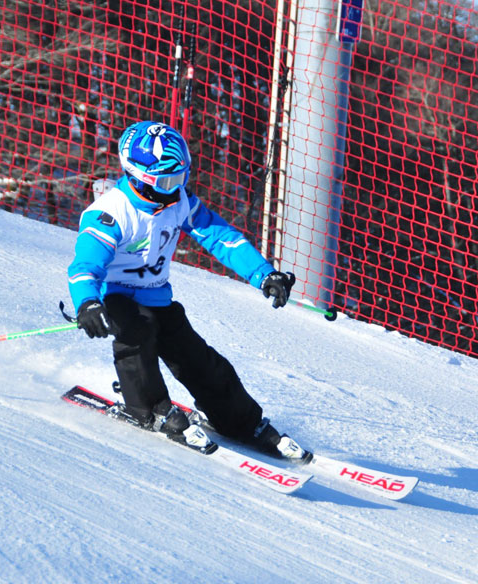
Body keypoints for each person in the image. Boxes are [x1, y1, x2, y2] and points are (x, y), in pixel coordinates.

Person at [67, 120, 311, 462]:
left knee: (197, 358)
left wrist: (264, 274)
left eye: (181, 178)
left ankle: (240, 421)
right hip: (116, 297)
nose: (176, 188)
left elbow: (219, 236)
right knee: (136, 335)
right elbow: (85, 266)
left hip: (157, 296)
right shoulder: (110, 213)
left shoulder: (178, 200)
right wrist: (88, 303)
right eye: (167, 181)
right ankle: (149, 409)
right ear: (138, 175)